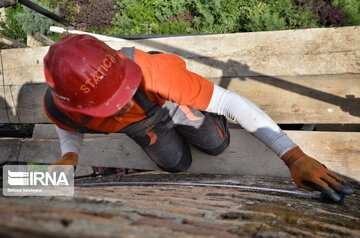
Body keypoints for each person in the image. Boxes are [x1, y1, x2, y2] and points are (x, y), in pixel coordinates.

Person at [43, 34, 353, 202]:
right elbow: (68, 128)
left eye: (122, 93)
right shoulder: (61, 107)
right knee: (177, 166)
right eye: (108, 106)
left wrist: (293, 157)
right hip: (141, 128)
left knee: (217, 144)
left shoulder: (154, 74)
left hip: (172, 103)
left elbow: (230, 101)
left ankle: (192, 112)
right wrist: (69, 156)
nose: (121, 106)